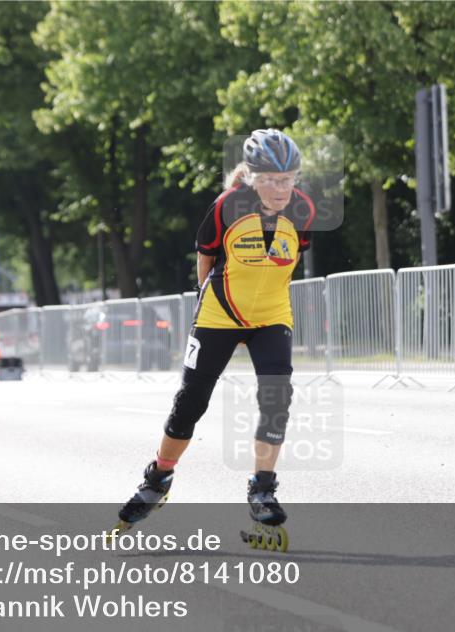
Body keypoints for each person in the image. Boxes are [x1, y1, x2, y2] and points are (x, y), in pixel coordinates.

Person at [115, 129, 315, 545]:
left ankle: (263, 487)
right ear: (252, 179)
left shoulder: (304, 209)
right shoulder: (227, 207)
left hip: (271, 315)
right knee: (191, 402)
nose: (282, 189)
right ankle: (159, 478)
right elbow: (206, 259)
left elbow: (289, 259)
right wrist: (214, 308)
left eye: (289, 179)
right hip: (219, 314)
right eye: (272, 180)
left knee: (277, 397)